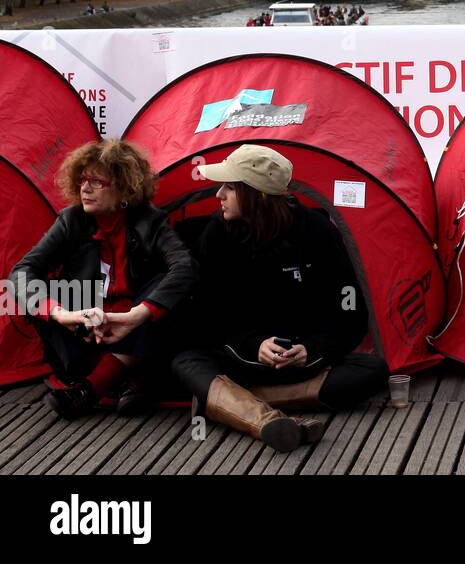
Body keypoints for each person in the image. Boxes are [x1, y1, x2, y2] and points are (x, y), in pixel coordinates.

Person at [171, 144, 387, 453]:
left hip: (298, 362)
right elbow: (208, 315)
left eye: (229, 188)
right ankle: (263, 419)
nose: (218, 195)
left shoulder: (317, 231)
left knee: (372, 372)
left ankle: (225, 402)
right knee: (185, 361)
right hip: (242, 358)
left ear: (257, 195)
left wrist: (310, 348)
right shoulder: (217, 235)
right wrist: (255, 344)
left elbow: (348, 309)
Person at [9, 139, 197, 418]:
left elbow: (185, 267)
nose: (85, 188)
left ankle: (90, 389)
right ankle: (129, 382)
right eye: (83, 179)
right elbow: (20, 273)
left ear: (124, 188)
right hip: (84, 333)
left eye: (97, 181)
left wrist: (136, 316)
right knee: (37, 290)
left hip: (136, 331)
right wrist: (63, 315)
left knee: (165, 285)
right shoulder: (71, 220)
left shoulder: (150, 221)